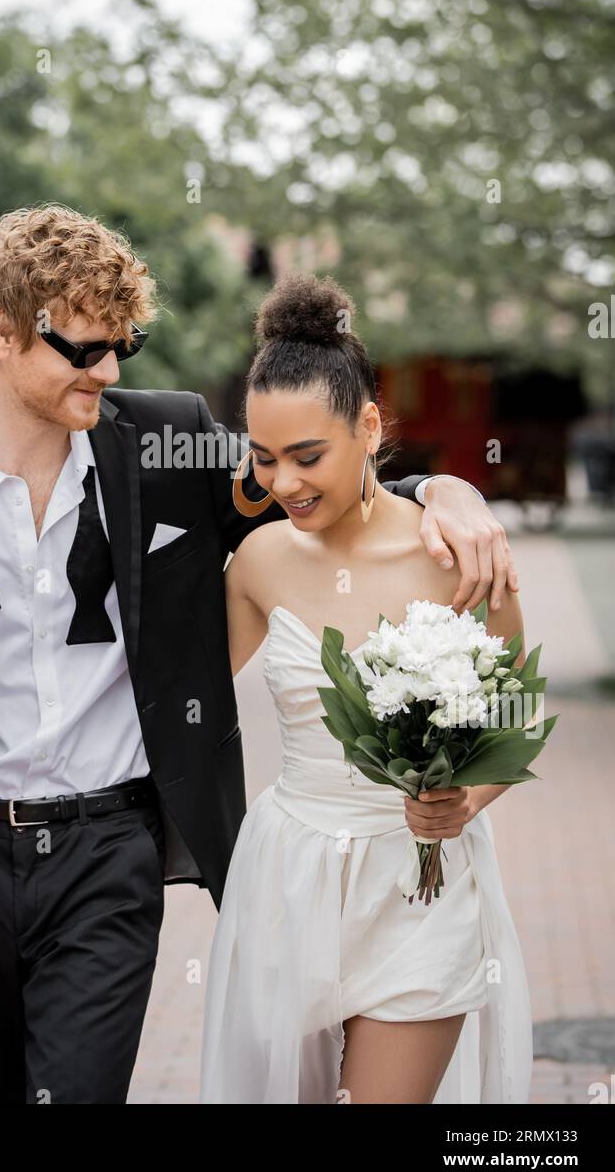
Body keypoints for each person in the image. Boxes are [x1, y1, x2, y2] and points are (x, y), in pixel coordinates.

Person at [0, 202, 517, 1103]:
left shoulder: (167, 439)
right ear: (0, 332)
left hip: (110, 854)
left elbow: (314, 481)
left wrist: (444, 489)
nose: (107, 370)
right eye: (83, 349)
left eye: (123, 346)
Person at [199, 274, 532, 1104]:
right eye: (264, 457)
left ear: (370, 427)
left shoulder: (462, 555)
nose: (284, 483)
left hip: (421, 880)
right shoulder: (259, 564)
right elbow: (177, 696)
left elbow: (517, 713)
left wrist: (466, 801)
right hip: (289, 874)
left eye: (308, 456)